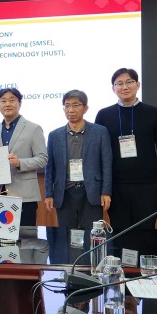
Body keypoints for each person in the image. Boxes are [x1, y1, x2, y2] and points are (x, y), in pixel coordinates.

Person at [94, 68, 157, 254]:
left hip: (147, 184)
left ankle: (142, 269)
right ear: (113, 88)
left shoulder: (153, 113)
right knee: (119, 230)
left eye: (129, 82)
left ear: (138, 85)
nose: (125, 87)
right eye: (119, 83)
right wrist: (102, 185)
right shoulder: (104, 115)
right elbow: (97, 152)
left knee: (145, 229)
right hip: (116, 184)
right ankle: (121, 269)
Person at [44, 90, 112, 261]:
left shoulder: (99, 131)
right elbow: (49, 167)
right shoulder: (54, 135)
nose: (71, 110)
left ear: (85, 108)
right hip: (65, 193)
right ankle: (69, 271)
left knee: (92, 237)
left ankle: (91, 269)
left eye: (75, 105)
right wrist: (49, 193)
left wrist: (106, 192)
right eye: (67, 106)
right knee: (66, 237)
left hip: (91, 193)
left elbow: (106, 163)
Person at [0, 87, 48, 226]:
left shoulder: (33, 128)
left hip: (24, 196)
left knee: (25, 237)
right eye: (3, 101)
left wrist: (20, 163)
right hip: (1, 194)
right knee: (2, 238)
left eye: (12, 100)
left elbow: (43, 158)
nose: (7, 104)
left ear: (19, 103)